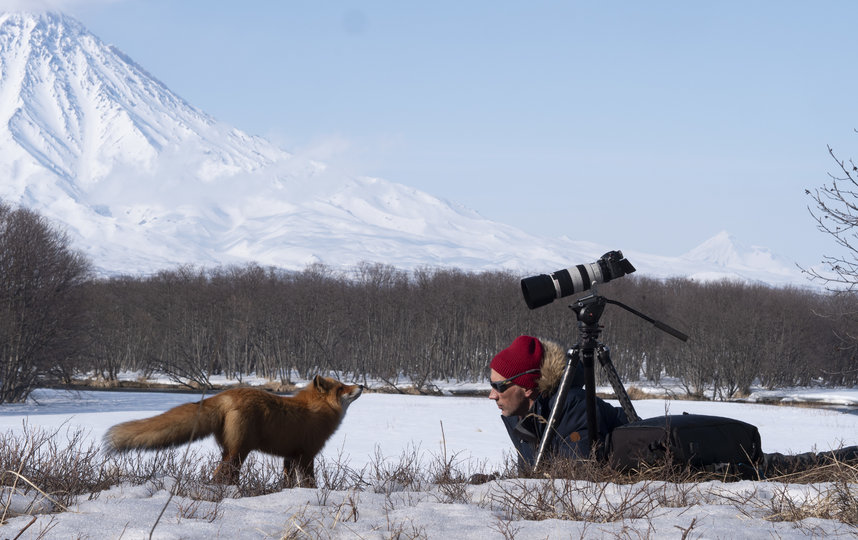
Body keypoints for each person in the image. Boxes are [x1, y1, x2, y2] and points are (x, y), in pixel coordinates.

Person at [489, 335, 628, 471]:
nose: (492, 395)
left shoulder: (572, 407)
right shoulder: (521, 415)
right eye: (491, 384)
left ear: (527, 388)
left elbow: (575, 483)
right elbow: (534, 477)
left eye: (499, 386)